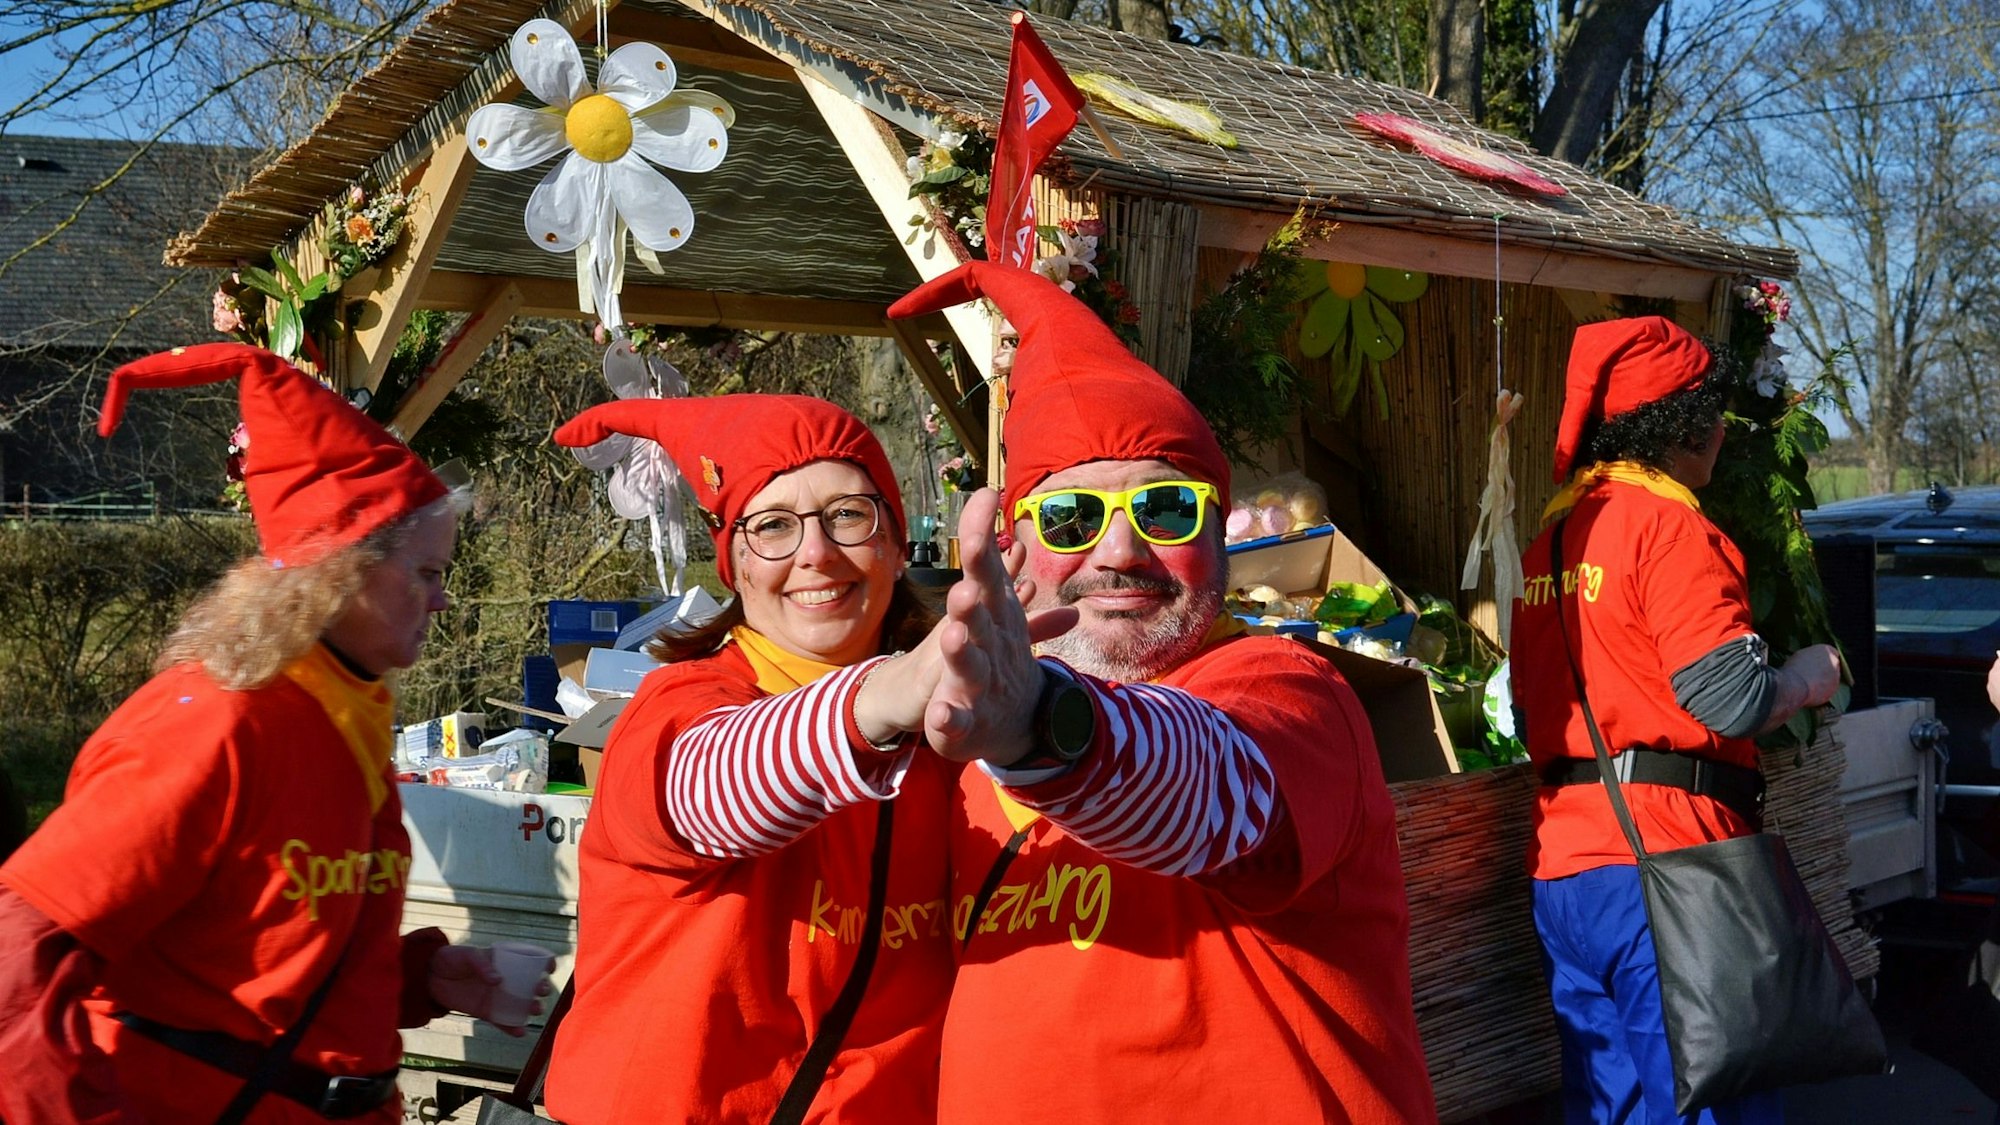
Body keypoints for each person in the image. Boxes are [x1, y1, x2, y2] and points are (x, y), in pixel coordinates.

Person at [887, 263, 1437, 1123]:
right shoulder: (961, 743)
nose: (1120, 552)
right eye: (1072, 515)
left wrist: (1041, 725)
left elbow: (1219, 789)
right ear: (1014, 545)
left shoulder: (1287, 688)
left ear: (1220, 533)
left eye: (1167, 508)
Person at [0, 343, 545, 1123]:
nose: (443, 600)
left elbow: (258, 960)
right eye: (427, 573)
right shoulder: (214, 725)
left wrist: (422, 977)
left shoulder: (345, 713)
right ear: (342, 570)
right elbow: (20, 957)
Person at [541, 396, 1071, 1123]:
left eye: (848, 514)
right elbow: (704, 789)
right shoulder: (676, 710)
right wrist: (874, 701)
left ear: (896, 544)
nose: (815, 553)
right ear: (734, 566)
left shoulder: (957, 738)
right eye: (772, 526)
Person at [1509, 317, 1842, 1124]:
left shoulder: (1549, 543)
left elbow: (1525, 711)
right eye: (1716, 414)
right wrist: (1808, 677)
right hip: (1671, 869)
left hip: (1567, 870)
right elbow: (1730, 699)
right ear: (1686, 425)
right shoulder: (1669, 527)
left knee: (1613, 1107)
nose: (1723, 431)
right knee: (1715, 1106)